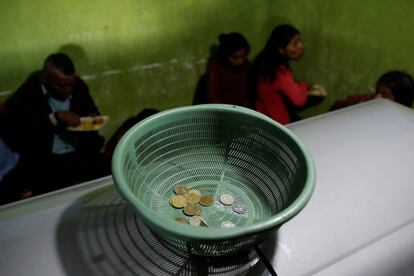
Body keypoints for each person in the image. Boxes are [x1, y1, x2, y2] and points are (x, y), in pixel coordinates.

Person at [3, 53, 111, 195]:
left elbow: (92, 110)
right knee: (50, 193)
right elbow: (20, 129)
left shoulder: (78, 86)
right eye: (61, 85)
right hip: (48, 159)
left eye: (70, 84)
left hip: (80, 151)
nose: (68, 90)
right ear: (45, 79)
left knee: (110, 170)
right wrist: (55, 118)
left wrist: (91, 117)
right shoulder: (29, 93)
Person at [252, 24, 325, 124]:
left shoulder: (262, 63)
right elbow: (299, 100)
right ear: (281, 49)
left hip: (262, 118)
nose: (301, 46)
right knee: (319, 98)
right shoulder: (279, 71)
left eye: (300, 41)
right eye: (295, 44)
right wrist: (304, 86)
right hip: (278, 124)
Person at [200, 32, 254, 108]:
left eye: (243, 57)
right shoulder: (216, 68)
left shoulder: (246, 66)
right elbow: (212, 97)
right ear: (225, 55)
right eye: (235, 58)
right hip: (225, 112)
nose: (240, 61)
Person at [330, 70, 414, 110]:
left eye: (385, 94)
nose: (377, 97)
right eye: (377, 91)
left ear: (401, 100)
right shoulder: (365, 101)